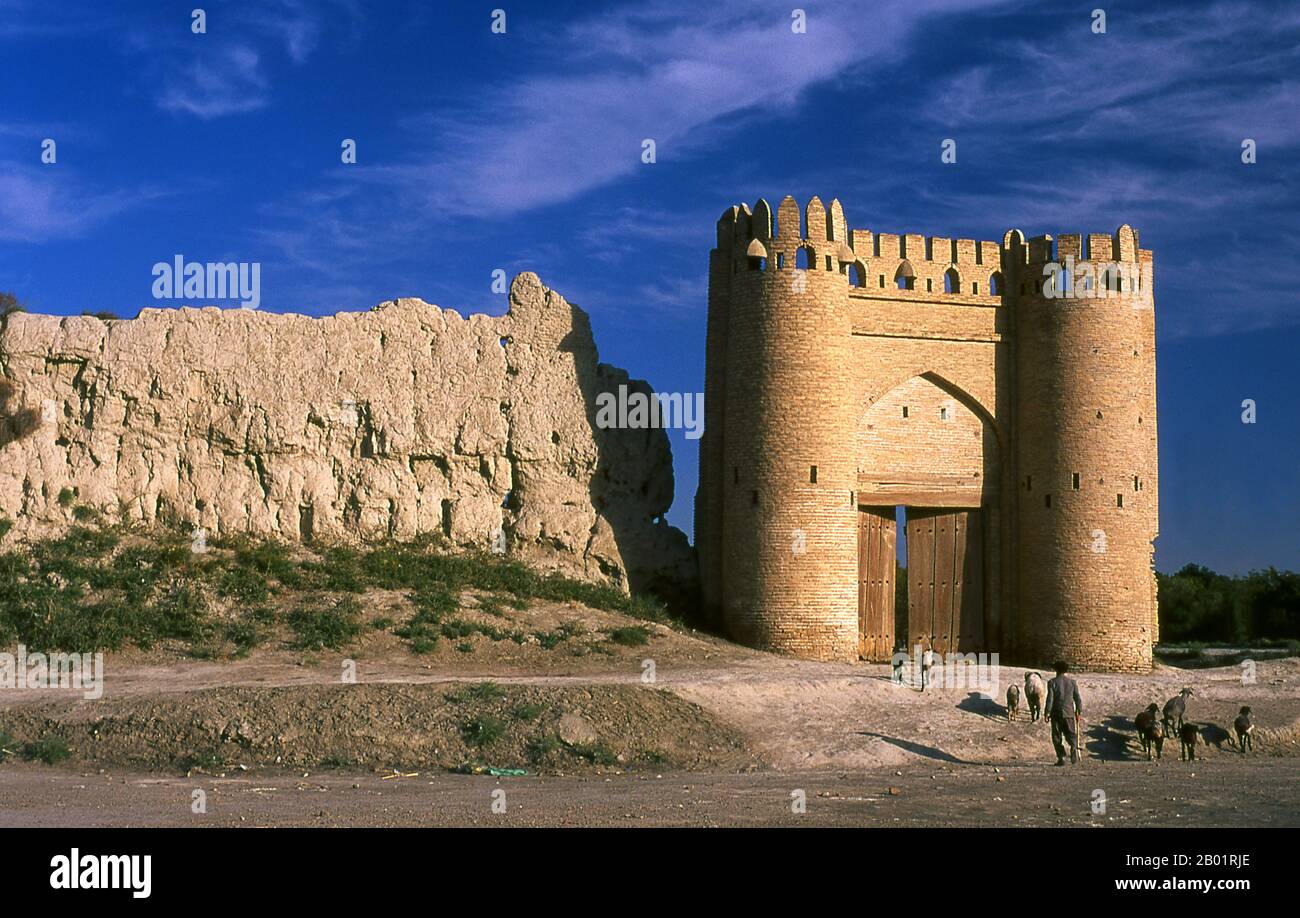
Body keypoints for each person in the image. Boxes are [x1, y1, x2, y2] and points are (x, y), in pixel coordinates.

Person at [1044, 660, 1083, 765]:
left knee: (1057, 736)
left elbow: (1050, 699)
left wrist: (1047, 712)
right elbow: (1077, 698)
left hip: (1056, 714)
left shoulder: (1052, 682)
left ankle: (1061, 757)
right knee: (1071, 734)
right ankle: (1074, 747)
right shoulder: (1072, 682)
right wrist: (1078, 711)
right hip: (1069, 713)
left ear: (1056, 670)